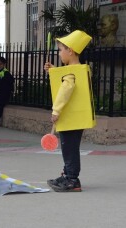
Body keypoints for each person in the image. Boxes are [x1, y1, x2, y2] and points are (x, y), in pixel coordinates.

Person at [44, 30, 93, 192]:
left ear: (70, 51)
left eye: (60, 50)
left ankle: (72, 179)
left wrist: (56, 110)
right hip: (75, 118)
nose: (59, 53)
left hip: (70, 118)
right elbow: (66, 78)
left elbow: (67, 88)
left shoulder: (72, 73)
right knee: (69, 147)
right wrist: (54, 70)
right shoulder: (75, 69)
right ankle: (67, 174)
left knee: (69, 148)